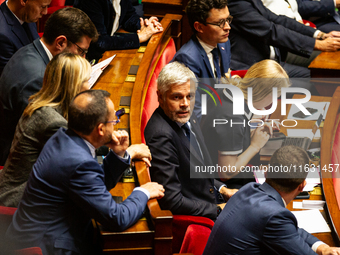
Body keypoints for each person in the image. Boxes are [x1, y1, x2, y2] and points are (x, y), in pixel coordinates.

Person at [5, 89, 165, 255]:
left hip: (37, 235)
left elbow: (94, 184)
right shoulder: (78, 162)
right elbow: (117, 218)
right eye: (114, 120)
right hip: (46, 247)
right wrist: (143, 192)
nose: (116, 123)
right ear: (101, 129)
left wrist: (119, 155)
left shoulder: (64, 136)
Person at [0, 7, 98, 166]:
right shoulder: (38, 79)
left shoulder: (33, 51)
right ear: (61, 42)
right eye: (81, 51)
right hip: (21, 161)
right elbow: (51, 137)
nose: (84, 59)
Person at [203, 145, 340, 255]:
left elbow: (292, 231)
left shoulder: (249, 189)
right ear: (302, 186)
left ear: (266, 172)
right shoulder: (275, 217)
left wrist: (321, 247)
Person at [145, 62, 237, 221]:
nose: (185, 104)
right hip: (200, 219)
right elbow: (171, 200)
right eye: (176, 97)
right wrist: (217, 209)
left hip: (211, 197)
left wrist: (222, 190)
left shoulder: (185, 116)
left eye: (190, 96)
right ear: (160, 96)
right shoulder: (161, 135)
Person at [0, 53, 92, 207]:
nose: (90, 86)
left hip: (13, 187)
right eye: (87, 80)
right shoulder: (52, 122)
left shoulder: (42, 104)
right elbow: (81, 157)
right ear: (74, 84)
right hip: (17, 201)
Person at [201, 60, 291, 189]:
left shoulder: (228, 91)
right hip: (224, 187)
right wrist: (255, 145)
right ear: (267, 94)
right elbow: (226, 172)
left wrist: (251, 129)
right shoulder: (232, 118)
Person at [227, 0, 340, 77]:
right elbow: (270, 30)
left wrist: (319, 35)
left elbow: (278, 20)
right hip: (253, 69)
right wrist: (318, 44)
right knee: (319, 77)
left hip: (273, 58)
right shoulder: (234, 3)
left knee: (329, 69)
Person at [172, 0, 232, 121]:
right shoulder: (187, 59)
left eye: (228, 19)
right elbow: (194, 113)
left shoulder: (223, 44)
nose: (227, 27)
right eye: (220, 22)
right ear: (199, 27)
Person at [74, 0, 163, 61]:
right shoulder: (90, 1)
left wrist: (144, 25)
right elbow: (99, 41)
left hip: (105, 55)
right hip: (85, 60)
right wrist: (138, 37)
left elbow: (129, 17)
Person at [0, 0, 52, 75]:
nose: (45, 12)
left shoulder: (26, 14)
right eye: (43, 7)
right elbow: (12, 78)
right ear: (23, 1)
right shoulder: (3, 35)